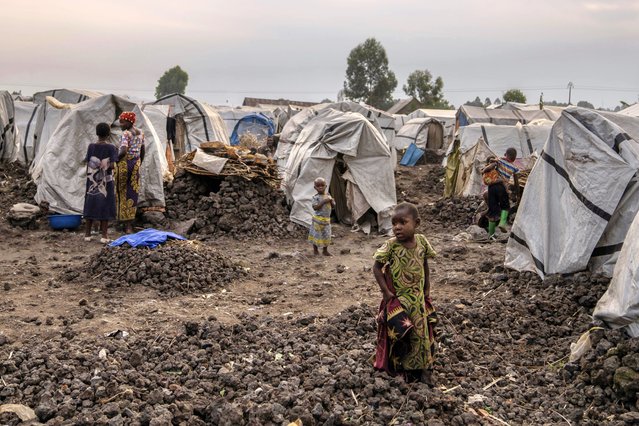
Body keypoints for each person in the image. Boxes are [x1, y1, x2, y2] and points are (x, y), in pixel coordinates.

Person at [373, 202, 437, 384]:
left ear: (416, 223)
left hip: (418, 300)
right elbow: (376, 268)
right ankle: (399, 370)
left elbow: (425, 264)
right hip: (399, 300)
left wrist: (427, 288)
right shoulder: (391, 246)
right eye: (394, 223)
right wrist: (385, 292)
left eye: (403, 222)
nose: (397, 228)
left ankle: (424, 369)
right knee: (400, 335)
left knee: (422, 334)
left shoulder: (422, 242)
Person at [83, 123, 117, 243]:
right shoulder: (111, 147)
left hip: (91, 179)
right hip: (105, 180)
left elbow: (88, 161)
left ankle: (87, 234)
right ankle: (104, 235)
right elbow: (112, 165)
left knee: (90, 201)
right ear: (108, 134)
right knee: (106, 204)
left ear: (97, 133)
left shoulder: (91, 146)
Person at [115, 111, 145, 234]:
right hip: (135, 165)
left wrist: (114, 160)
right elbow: (143, 150)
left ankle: (121, 222)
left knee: (121, 191)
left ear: (129, 122)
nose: (120, 124)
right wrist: (139, 162)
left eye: (122, 122)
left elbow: (123, 150)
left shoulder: (126, 134)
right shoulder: (141, 133)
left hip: (124, 164)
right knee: (132, 192)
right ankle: (129, 225)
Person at [482, 148, 519, 237]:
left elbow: (490, 165)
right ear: (514, 158)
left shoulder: (499, 160)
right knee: (505, 207)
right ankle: (502, 223)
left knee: (492, 211)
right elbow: (516, 181)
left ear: (505, 154)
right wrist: (517, 192)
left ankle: (491, 235)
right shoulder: (514, 168)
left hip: (491, 188)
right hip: (502, 188)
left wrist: (485, 169)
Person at [308, 177, 335, 256]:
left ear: (326, 186)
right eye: (318, 186)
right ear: (315, 187)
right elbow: (315, 207)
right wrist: (324, 201)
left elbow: (333, 206)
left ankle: (325, 250)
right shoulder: (315, 197)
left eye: (322, 185)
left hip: (326, 221)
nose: (320, 187)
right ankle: (315, 250)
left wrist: (332, 201)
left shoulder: (328, 195)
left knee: (326, 235)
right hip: (317, 221)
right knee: (316, 235)